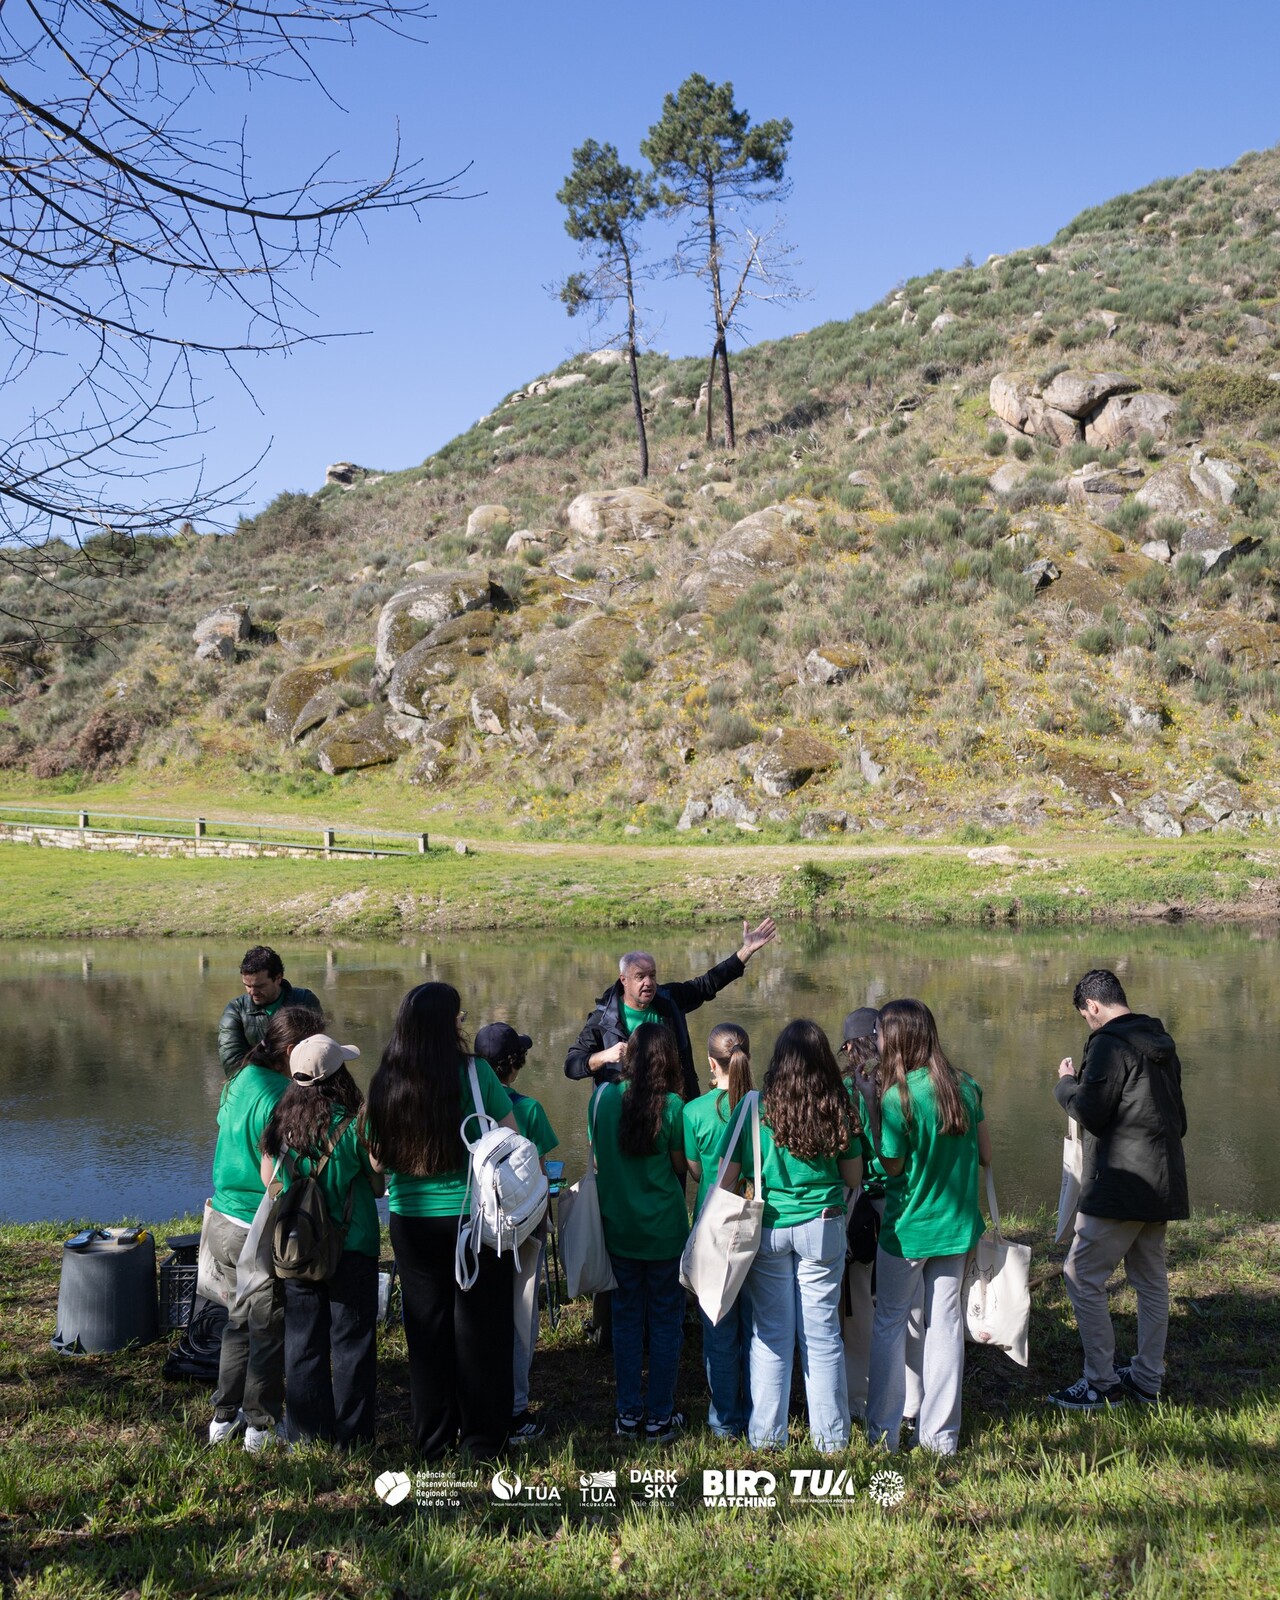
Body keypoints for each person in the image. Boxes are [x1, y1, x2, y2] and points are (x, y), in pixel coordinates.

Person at [365, 983, 518, 1460]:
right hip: (472, 1222)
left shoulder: (384, 1081)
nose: (463, 1021)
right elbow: (512, 1137)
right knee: (482, 1331)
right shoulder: (476, 1075)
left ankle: (432, 1440)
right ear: (446, 1023)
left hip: (411, 1223)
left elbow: (375, 1162)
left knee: (426, 1334)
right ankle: (482, 1441)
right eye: (458, 1015)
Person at [718, 1019, 863, 1453]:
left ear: (778, 1061)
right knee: (821, 1337)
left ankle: (766, 1438)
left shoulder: (753, 1108)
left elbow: (725, 1181)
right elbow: (853, 1175)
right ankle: (832, 1440)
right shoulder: (838, 1103)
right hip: (823, 1225)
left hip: (770, 1229)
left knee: (770, 1335)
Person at [1047, 969, 1188, 1411]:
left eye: (1085, 1016)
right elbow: (1179, 1121)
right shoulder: (1160, 1040)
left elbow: (1092, 1110)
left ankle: (1100, 1384)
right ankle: (1147, 1378)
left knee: (1080, 1276)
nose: (1087, 1023)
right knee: (1150, 1282)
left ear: (1092, 1006)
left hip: (1120, 1184)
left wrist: (1066, 1084)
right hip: (1161, 1183)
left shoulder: (1109, 1043)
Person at [860, 999, 990, 1456]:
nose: (875, 1041)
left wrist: (872, 1112)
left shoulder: (898, 1098)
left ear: (897, 1039)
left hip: (907, 1231)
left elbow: (892, 1170)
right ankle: (940, 1438)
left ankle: (884, 1432)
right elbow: (986, 1155)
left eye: (879, 1034)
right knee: (946, 1327)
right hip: (955, 1230)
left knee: (890, 1324)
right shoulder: (966, 1087)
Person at [207, 1004, 325, 1450]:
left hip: (220, 1214)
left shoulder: (239, 1079)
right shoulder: (282, 1093)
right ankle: (259, 1426)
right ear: (293, 1050)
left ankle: (223, 1417)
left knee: (237, 1322)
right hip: (253, 1222)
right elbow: (277, 1169)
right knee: (266, 1324)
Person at [259, 1033, 382, 1448]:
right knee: (352, 1345)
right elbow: (378, 1186)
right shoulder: (354, 1123)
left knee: (303, 1343)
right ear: (338, 1076)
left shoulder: (280, 1123)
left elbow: (269, 1180)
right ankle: (353, 1438)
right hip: (352, 1246)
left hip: (298, 1248)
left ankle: (307, 1436)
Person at [590, 1022, 692, 1442]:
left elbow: (599, 1160)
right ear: (668, 1059)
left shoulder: (600, 1099)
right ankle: (660, 1416)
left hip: (619, 1230)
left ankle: (628, 1413)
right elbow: (680, 1167)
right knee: (667, 1321)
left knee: (626, 1320)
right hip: (665, 1231)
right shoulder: (673, 1107)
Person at [564, 918, 778, 1102]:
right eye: (640, 976)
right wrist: (604, 1056)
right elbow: (572, 1066)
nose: (648, 982)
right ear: (624, 980)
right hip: (623, 1114)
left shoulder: (669, 1000)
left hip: (673, 1109)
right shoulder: (603, 1018)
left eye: (653, 975)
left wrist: (746, 951)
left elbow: (707, 984)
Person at [474, 1020, 560, 1445]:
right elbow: (540, 1175)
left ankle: (479, 1401)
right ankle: (516, 1409)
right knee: (521, 1313)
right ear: (513, 1065)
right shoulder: (527, 1110)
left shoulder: (469, 1105)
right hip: (522, 1230)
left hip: (477, 1228)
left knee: (481, 1316)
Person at [683, 1021, 753, 1438]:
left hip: (715, 1231)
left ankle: (726, 1419)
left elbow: (694, 1172)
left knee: (719, 1328)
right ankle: (761, 1413)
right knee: (759, 1328)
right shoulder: (766, 1107)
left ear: (711, 1062)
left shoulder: (694, 1111)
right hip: (759, 1227)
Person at [218, 946, 322, 1076]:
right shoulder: (235, 1010)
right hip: (257, 1085)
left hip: (299, 1082)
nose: (252, 992)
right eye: (247, 985)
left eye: (260, 986)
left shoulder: (305, 1001)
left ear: (278, 978)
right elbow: (232, 1062)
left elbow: (315, 1050)